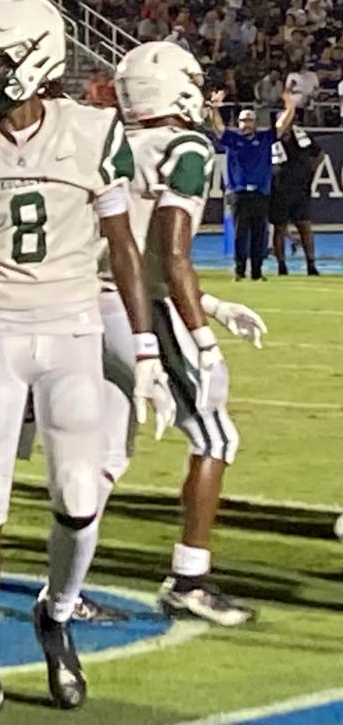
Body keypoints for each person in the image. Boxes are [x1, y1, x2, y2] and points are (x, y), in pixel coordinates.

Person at [0, 0, 173, 720]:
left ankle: (55, 613)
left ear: (34, 61)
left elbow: (123, 247)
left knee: (80, 497)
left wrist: (146, 345)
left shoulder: (92, 131)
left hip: (70, 330)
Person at [103, 41, 268, 625]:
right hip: (143, 309)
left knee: (98, 456)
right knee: (216, 437)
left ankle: (64, 591)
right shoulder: (186, 147)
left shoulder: (110, 140)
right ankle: (189, 578)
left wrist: (214, 303)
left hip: (84, 304)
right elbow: (171, 254)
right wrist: (201, 334)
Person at [209, 99, 296, 280]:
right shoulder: (232, 140)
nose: (246, 124)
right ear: (238, 123)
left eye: (249, 120)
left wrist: (290, 107)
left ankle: (257, 270)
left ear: (255, 123)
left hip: (260, 192)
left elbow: (282, 125)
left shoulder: (264, 139)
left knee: (259, 233)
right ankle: (239, 270)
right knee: (240, 233)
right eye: (243, 120)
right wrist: (214, 108)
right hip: (238, 192)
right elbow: (218, 127)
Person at [270, 126, 323, 275]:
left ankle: (311, 264)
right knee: (279, 228)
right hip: (279, 190)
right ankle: (281, 266)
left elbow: (320, 154)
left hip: (300, 190)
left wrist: (310, 171)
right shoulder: (271, 137)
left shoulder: (302, 136)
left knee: (304, 226)